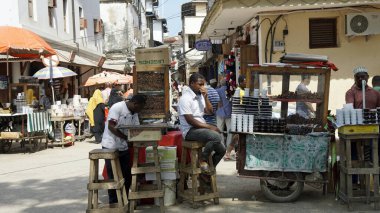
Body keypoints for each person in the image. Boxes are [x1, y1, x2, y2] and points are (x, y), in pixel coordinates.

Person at [101, 94, 147, 204]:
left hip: (124, 147)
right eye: (139, 108)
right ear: (135, 104)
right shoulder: (117, 107)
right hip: (111, 146)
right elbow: (111, 126)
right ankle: (114, 203)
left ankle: (124, 199)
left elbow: (136, 129)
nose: (139, 111)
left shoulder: (134, 113)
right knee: (113, 176)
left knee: (126, 175)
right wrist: (126, 138)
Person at [178, 73, 226, 176]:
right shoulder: (185, 99)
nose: (202, 87)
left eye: (203, 84)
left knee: (222, 150)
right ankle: (202, 160)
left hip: (200, 128)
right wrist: (210, 127)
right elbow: (190, 120)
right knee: (215, 136)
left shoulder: (200, 96)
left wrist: (205, 97)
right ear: (191, 84)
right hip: (190, 131)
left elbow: (210, 111)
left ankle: (205, 172)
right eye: (200, 84)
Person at [215, 80, 234, 160]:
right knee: (230, 130)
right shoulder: (231, 90)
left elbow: (216, 102)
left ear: (220, 84)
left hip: (220, 112)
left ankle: (221, 145)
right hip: (229, 112)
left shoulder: (217, 91)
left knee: (219, 130)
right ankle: (228, 146)